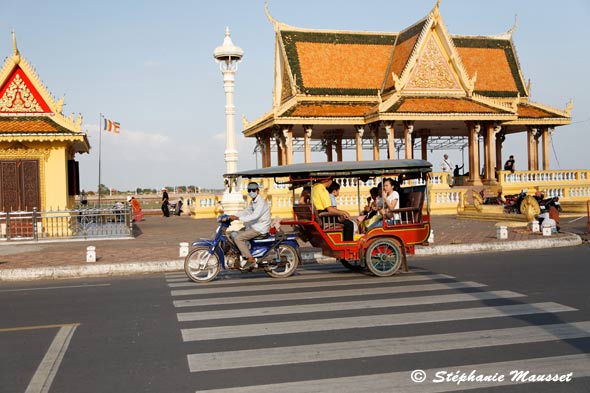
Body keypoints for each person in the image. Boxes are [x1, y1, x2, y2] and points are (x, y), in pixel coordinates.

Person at [228, 182, 271, 269]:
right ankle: (243, 254)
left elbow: (255, 215)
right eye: (249, 190)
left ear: (258, 191)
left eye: (253, 190)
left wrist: (238, 219)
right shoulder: (253, 202)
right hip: (254, 226)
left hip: (259, 228)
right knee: (232, 234)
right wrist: (233, 215)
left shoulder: (261, 202)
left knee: (238, 238)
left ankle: (251, 259)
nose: (251, 192)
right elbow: (246, 211)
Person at [311, 177, 354, 241]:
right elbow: (330, 209)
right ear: (327, 179)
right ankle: (348, 245)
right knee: (349, 224)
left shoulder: (314, 187)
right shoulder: (322, 189)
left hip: (319, 215)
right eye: (331, 179)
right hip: (323, 217)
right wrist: (343, 212)